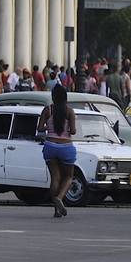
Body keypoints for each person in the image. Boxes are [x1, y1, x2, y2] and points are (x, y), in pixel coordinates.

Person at [40, 82, 77, 218]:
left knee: (55, 177)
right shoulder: (69, 111)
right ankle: (60, 198)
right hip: (66, 147)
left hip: (50, 146)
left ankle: (56, 210)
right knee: (68, 176)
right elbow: (73, 131)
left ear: (53, 97)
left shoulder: (47, 110)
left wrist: (49, 128)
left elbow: (39, 128)